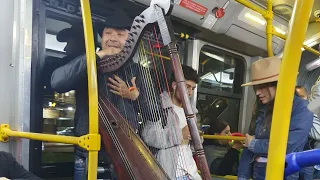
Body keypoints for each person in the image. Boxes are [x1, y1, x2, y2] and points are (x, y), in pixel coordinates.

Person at [50, 9, 140, 180]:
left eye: (120, 34)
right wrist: (97, 56)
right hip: (88, 151)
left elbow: (153, 112)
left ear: (129, 40)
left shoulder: (137, 71)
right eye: (108, 33)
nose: (113, 38)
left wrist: (134, 96)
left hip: (124, 152)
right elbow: (57, 82)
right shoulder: (86, 62)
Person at [237, 57, 313, 180]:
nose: (257, 93)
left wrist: (254, 144)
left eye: (261, 87)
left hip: (284, 172)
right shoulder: (262, 108)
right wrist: (242, 176)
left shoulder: (301, 108)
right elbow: (248, 146)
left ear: (278, 85)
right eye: (256, 88)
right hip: (258, 170)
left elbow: (289, 145)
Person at [142, 65, 201, 180]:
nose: (190, 92)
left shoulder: (191, 111)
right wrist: (180, 134)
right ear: (174, 85)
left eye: (193, 89)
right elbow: (148, 135)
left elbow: (191, 148)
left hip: (190, 172)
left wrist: (197, 137)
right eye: (187, 87)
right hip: (169, 171)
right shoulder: (160, 106)